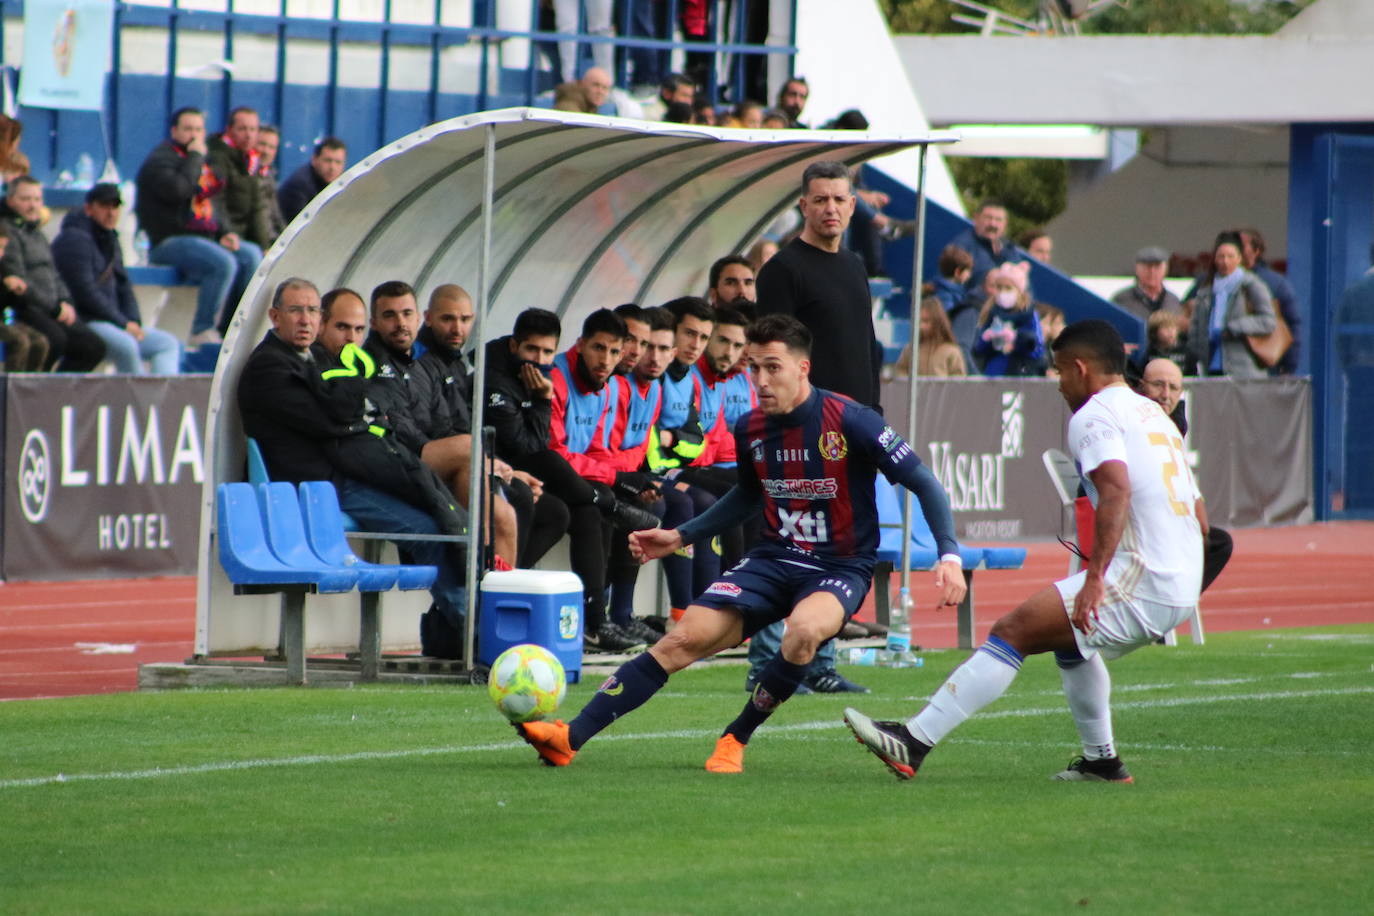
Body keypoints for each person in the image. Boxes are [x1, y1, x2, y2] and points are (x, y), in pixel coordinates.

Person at [512, 314, 966, 773]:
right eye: (754, 368)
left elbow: (923, 482)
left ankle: (736, 735)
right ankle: (569, 737)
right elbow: (748, 495)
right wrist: (679, 535)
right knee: (682, 639)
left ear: (802, 369)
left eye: (773, 368)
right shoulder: (751, 427)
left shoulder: (852, 420)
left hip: (839, 565)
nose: (761, 380)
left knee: (804, 632)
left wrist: (948, 553)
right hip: (771, 560)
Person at [846, 320, 1205, 783]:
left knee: (1012, 630)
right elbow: (1201, 516)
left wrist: (1096, 579)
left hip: (1144, 577)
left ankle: (913, 742)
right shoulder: (1155, 414)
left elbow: (1116, 491)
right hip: (1179, 577)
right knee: (1070, 644)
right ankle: (1102, 762)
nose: (1058, 384)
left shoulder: (1094, 415)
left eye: (1059, 371)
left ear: (1081, 368)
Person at [238, 278, 470, 649]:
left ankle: (458, 633)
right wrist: (358, 413)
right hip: (319, 488)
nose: (305, 320)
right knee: (430, 532)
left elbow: (345, 416)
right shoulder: (269, 367)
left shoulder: (314, 359)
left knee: (438, 516)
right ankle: (470, 637)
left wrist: (353, 415)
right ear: (275, 316)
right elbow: (333, 419)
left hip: (340, 478)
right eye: (296, 310)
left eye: (312, 310)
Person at [482, 307, 650, 653]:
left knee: (586, 510)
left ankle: (597, 621)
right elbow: (540, 446)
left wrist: (617, 476)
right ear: (580, 345)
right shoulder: (553, 378)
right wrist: (543, 400)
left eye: (614, 351)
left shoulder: (610, 385)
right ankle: (510, 592)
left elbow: (598, 448)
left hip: (560, 475)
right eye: (598, 348)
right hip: (515, 470)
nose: (606, 359)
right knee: (577, 489)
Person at [412, 284, 568, 570]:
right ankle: (492, 589)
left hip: (473, 460)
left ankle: (509, 585)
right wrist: (542, 402)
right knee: (521, 497)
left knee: (558, 510)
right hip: (434, 465)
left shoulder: (456, 364)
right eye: (448, 319)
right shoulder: (425, 363)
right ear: (428, 318)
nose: (457, 328)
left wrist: (502, 466)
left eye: (465, 320)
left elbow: (465, 428)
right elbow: (529, 448)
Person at [757, 160, 881, 410]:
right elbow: (774, 357)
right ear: (804, 206)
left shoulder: (855, 265)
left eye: (839, 199)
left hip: (860, 420)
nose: (831, 208)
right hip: (809, 422)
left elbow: (867, 345)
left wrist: (874, 411)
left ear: (852, 205)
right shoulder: (782, 271)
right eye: (821, 200)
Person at [135, 107, 262, 347]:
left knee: (250, 255)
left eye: (198, 129)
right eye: (187, 129)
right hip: (169, 241)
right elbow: (180, 190)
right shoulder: (161, 160)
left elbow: (214, 201)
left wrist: (225, 232)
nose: (194, 135)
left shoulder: (203, 161)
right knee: (223, 263)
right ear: (174, 131)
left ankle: (232, 328)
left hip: (203, 238)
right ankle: (202, 330)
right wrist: (195, 157)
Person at [51, 183, 182, 375]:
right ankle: (139, 400)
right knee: (126, 345)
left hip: (114, 321)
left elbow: (123, 286)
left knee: (167, 344)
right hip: (86, 319)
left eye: (115, 207)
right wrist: (122, 323)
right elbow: (85, 292)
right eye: (104, 206)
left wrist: (133, 321)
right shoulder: (74, 239)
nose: (111, 213)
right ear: (89, 208)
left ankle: (161, 401)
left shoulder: (110, 238)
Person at [1137, 358, 1232, 595]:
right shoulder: (1134, 423)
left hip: (1166, 522)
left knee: (1218, 543)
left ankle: (1174, 598)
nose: (1165, 394)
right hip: (1139, 524)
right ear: (1141, 386)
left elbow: (1187, 487)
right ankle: (1160, 604)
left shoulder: (1173, 428)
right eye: (1158, 385)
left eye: (1173, 388)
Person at [0, 176, 106, 372]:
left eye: (37, 200)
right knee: (54, 340)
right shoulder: (8, 234)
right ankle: (30, 393)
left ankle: (58, 394)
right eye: (25, 199)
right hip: (27, 308)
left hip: (54, 307)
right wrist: (54, 308)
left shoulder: (38, 234)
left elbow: (54, 274)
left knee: (93, 347)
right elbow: (20, 283)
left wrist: (65, 301)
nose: (32, 205)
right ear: (10, 200)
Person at [1186, 231, 1277, 379]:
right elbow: (1195, 329)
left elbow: (1268, 321)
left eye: (1230, 256)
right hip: (1211, 363)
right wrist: (1196, 350)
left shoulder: (1251, 285)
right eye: (1221, 256)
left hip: (1244, 367)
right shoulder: (1206, 289)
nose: (1225, 261)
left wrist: (1235, 327)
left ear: (1239, 258)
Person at [206, 107, 275, 255]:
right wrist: (227, 232)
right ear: (229, 130)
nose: (248, 135)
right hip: (221, 235)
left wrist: (265, 246)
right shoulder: (217, 157)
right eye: (242, 129)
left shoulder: (250, 160)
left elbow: (258, 207)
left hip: (243, 236)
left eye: (253, 129)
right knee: (251, 256)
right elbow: (216, 200)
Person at [1237, 227, 1299, 375]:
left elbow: (1292, 324)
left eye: (1241, 246)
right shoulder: (1211, 282)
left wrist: (1289, 367)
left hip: (1263, 367)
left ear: (1256, 250)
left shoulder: (1275, 284)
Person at [972, 262, 1045, 377]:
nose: (1002, 292)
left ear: (1020, 291)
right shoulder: (990, 312)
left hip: (1020, 373)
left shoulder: (1028, 314)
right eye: (999, 288)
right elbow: (977, 348)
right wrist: (989, 339)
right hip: (994, 374)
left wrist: (1016, 338)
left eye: (1008, 288)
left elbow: (1037, 348)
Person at [946, 198, 1025, 297]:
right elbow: (949, 285)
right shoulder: (962, 245)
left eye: (998, 220)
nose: (993, 224)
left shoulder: (1010, 250)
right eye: (988, 218)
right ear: (976, 218)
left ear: (1005, 223)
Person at [0, 224, 51, 371]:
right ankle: (10, 387)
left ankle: (30, 386)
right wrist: (4, 287)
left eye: (3, 248)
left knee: (40, 342)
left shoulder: (4, 268)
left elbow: (10, 303)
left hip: (4, 320)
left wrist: (17, 291)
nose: (1, 253)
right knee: (19, 340)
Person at [277, 137, 347, 224]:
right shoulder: (300, 185)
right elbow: (300, 228)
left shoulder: (341, 186)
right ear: (314, 160)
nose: (332, 167)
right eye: (328, 160)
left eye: (338, 162)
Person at [894, 296, 967, 378]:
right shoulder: (910, 350)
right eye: (919, 321)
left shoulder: (951, 352)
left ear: (937, 321)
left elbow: (958, 384)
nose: (921, 326)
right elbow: (900, 375)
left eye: (926, 321)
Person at [1111, 247, 1183, 323]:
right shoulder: (1122, 300)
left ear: (1166, 269)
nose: (1152, 272)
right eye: (1147, 267)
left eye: (1157, 267)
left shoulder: (1173, 300)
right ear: (1137, 269)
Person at [255, 125, 286, 244]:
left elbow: (276, 215)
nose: (266, 151)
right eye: (262, 144)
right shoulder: (245, 174)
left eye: (271, 147)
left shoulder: (270, 175)